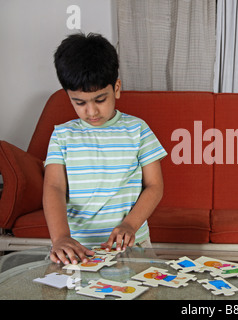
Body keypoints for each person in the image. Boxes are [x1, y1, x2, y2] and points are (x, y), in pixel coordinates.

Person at [43, 33, 167, 265]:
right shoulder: (62, 135)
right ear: (68, 97)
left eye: (100, 100)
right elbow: (54, 187)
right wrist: (60, 237)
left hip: (132, 244)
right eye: (79, 103)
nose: (91, 112)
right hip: (76, 248)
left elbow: (155, 186)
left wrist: (130, 224)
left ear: (116, 88)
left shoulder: (138, 130)